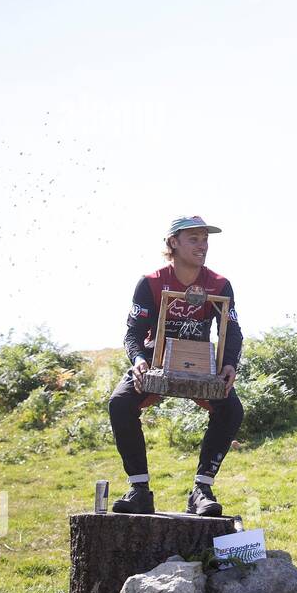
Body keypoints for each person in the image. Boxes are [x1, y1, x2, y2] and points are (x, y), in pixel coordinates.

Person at [108, 216, 244, 515]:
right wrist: (140, 360)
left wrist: (230, 364)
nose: (202, 245)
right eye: (193, 239)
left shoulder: (220, 285)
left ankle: (201, 490)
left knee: (232, 409)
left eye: (205, 239)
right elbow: (132, 333)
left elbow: (231, 331)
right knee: (119, 403)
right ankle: (139, 490)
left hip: (199, 366)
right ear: (173, 242)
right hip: (154, 364)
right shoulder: (151, 283)